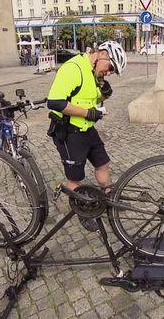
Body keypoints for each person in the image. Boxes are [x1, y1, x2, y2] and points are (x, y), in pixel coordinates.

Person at [46, 41, 126, 231]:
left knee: (102, 163)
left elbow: (90, 97)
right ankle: (81, 210)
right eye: (111, 68)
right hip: (69, 132)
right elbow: (55, 102)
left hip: (87, 129)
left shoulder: (92, 71)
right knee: (75, 179)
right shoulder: (73, 68)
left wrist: (104, 94)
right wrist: (87, 113)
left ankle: (109, 198)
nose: (109, 73)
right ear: (103, 55)